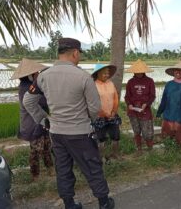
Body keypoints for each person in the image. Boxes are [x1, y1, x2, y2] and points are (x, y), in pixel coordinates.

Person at [23, 38, 114, 209]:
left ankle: (69, 204)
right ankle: (104, 202)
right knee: (92, 167)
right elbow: (94, 108)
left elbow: (28, 101)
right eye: (79, 54)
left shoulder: (43, 76)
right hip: (80, 134)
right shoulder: (83, 77)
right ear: (75, 53)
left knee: (63, 169)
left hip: (56, 133)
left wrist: (44, 120)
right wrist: (88, 122)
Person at [10, 58, 54, 181]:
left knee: (46, 146)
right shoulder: (27, 88)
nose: (39, 74)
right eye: (36, 73)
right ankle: (35, 175)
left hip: (40, 120)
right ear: (30, 75)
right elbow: (42, 101)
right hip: (33, 123)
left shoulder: (31, 85)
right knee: (36, 150)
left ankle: (50, 169)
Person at [156, 61, 181, 147]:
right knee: (166, 139)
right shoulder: (169, 84)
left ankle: (177, 156)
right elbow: (164, 100)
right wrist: (159, 112)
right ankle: (168, 155)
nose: (177, 72)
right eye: (176, 70)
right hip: (168, 116)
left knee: (179, 140)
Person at [91, 63, 122, 162]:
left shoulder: (110, 83)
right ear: (98, 74)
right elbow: (93, 103)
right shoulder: (93, 85)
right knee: (101, 138)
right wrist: (104, 113)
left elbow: (115, 98)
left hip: (112, 115)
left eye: (107, 73)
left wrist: (113, 111)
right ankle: (101, 157)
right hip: (100, 116)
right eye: (104, 73)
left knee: (116, 136)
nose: (106, 75)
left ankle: (115, 154)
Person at [124, 59, 156, 155]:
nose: (138, 73)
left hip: (145, 111)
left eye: (140, 71)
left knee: (148, 132)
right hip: (133, 111)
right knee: (136, 131)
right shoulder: (130, 82)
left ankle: (150, 150)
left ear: (144, 71)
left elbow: (152, 96)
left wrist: (146, 104)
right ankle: (139, 150)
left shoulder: (150, 81)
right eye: (136, 72)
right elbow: (127, 96)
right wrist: (129, 104)